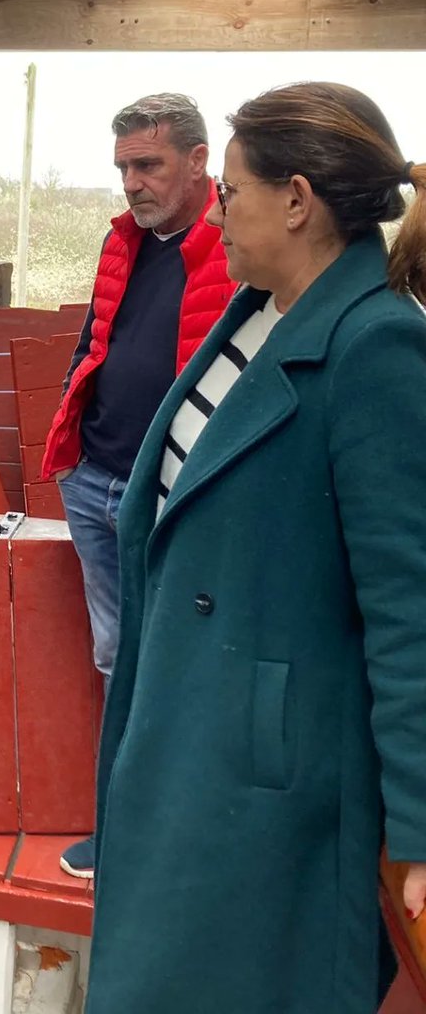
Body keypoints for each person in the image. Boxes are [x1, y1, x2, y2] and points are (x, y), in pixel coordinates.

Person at [86, 82, 426, 1013]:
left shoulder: (377, 347)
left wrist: (422, 828)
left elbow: (411, 612)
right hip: (184, 726)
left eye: (231, 191)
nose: (219, 213)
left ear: (298, 199)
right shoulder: (258, 312)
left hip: (270, 779)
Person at [40, 93, 234, 879]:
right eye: (123, 167)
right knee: (119, 658)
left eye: (147, 165)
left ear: (198, 163)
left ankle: (174, 837)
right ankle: (125, 830)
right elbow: (97, 336)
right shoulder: (124, 242)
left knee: (184, 665)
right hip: (95, 482)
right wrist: (72, 435)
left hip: (175, 495)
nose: (131, 184)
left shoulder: (236, 246)